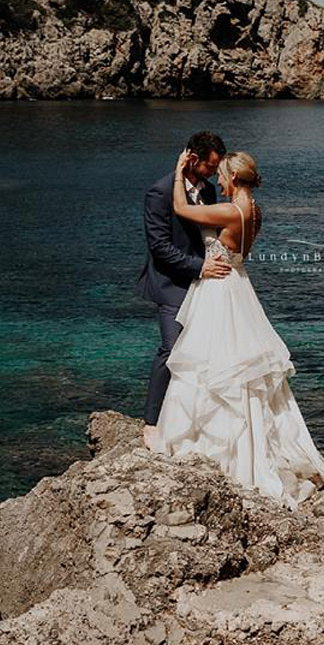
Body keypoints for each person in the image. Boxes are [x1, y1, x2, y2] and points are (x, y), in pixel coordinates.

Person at [148, 148, 324, 510]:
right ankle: (247, 440)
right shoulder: (255, 212)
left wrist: (179, 171)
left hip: (218, 287)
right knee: (237, 363)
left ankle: (210, 442)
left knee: (211, 362)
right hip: (238, 283)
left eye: (222, 178)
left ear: (232, 177)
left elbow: (181, 209)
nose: (219, 183)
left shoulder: (231, 210)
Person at [136, 130, 231, 450]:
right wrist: (199, 267)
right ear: (192, 158)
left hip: (204, 284)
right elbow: (160, 247)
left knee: (203, 352)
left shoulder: (209, 191)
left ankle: (189, 419)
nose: (214, 173)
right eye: (210, 166)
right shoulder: (160, 192)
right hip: (171, 284)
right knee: (172, 350)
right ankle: (151, 423)